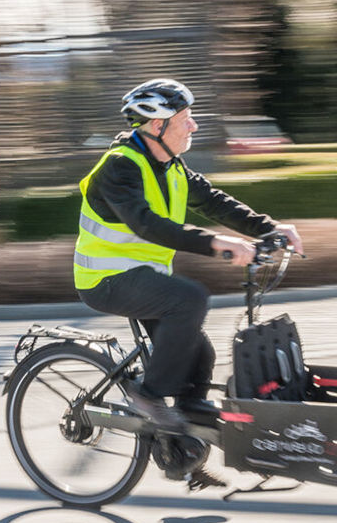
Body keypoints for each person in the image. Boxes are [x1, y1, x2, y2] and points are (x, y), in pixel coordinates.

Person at [74, 78, 304, 434]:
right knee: (190, 299)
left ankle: (186, 437)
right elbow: (148, 225)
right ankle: (148, 396)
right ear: (157, 125)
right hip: (105, 281)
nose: (193, 125)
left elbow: (214, 202)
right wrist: (217, 244)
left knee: (198, 352)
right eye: (185, 118)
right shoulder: (119, 167)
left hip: (144, 279)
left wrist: (270, 229)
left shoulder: (172, 167)